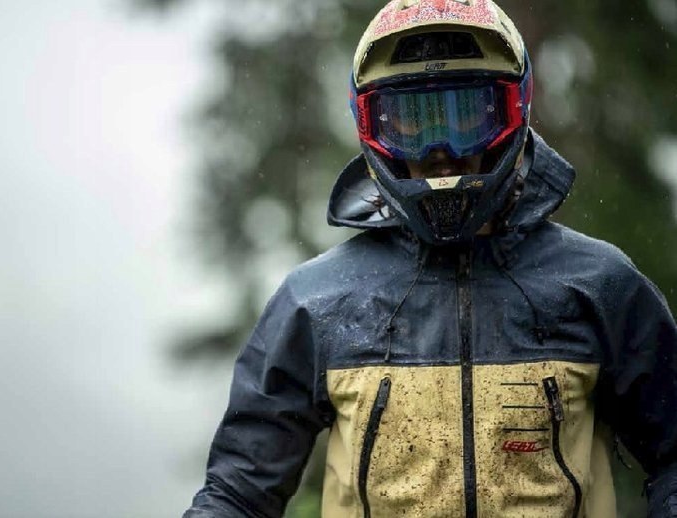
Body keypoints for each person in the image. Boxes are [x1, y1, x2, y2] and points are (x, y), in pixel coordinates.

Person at [184, 0, 677, 516]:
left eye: (467, 117)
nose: (440, 150)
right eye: (412, 121)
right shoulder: (316, 302)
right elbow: (237, 493)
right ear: (371, 128)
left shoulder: (600, 285)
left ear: (515, 112)